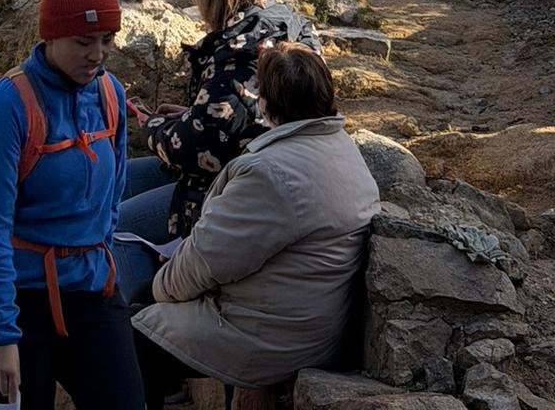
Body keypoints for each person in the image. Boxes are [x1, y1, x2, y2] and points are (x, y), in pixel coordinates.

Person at [131, 43, 381, 408]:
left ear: (265, 103)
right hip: (306, 319)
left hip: (269, 336)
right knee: (144, 305)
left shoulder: (270, 174)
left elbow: (206, 260)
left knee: (129, 335)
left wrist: (160, 290)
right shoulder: (339, 148)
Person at [0, 0, 146, 410]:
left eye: (106, 40)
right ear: (50, 35)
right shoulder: (8, 105)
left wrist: (101, 265)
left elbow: (111, 199)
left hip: (91, 293)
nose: (97, 55)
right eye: (84, 41)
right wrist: (2, 336)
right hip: (20, 301)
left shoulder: (111, 94)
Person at [114, 0, 320, 304]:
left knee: (114, 224)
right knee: (115, 178)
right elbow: (241, 119)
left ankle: (132, 309)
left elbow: (190, 149)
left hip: (226, 187)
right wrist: (191, 114)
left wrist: (153, 125)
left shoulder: (238, 54)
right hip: (242, 167)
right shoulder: (288, 28)